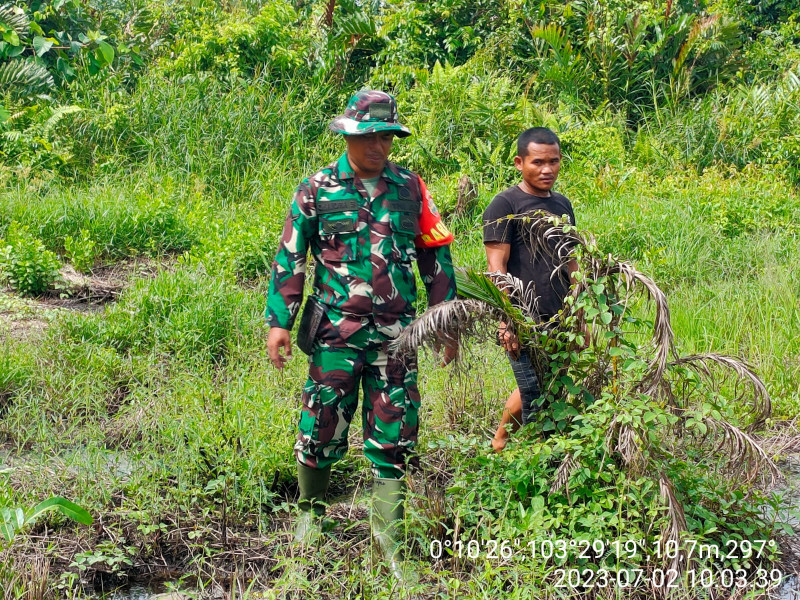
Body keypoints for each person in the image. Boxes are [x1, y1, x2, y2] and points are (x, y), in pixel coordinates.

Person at [265, 90, 457, 577]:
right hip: (336, 331)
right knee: (321, 421)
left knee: (395, 431)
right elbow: (291, 257)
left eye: (387, 136)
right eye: (369, 135)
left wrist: (445, 320)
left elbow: (436, 254)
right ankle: (311, 514)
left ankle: (388, 537)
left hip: (397, 335)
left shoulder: (410, 188)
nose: (379, 145)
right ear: (349, 134)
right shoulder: (316, 189)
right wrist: (279, 322)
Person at [482, 127, 578, 452]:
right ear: (519, 162)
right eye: (538, 162)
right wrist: (508, 321)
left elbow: (571, 260)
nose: (547, 169)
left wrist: (582, 309)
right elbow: (497, 268)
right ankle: (534, 466)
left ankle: (500, 442)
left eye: (554, 161)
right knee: (537, 399)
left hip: (561, 317)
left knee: (548, 388)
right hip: (524, 320)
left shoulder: (563, 205)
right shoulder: (504, 204)